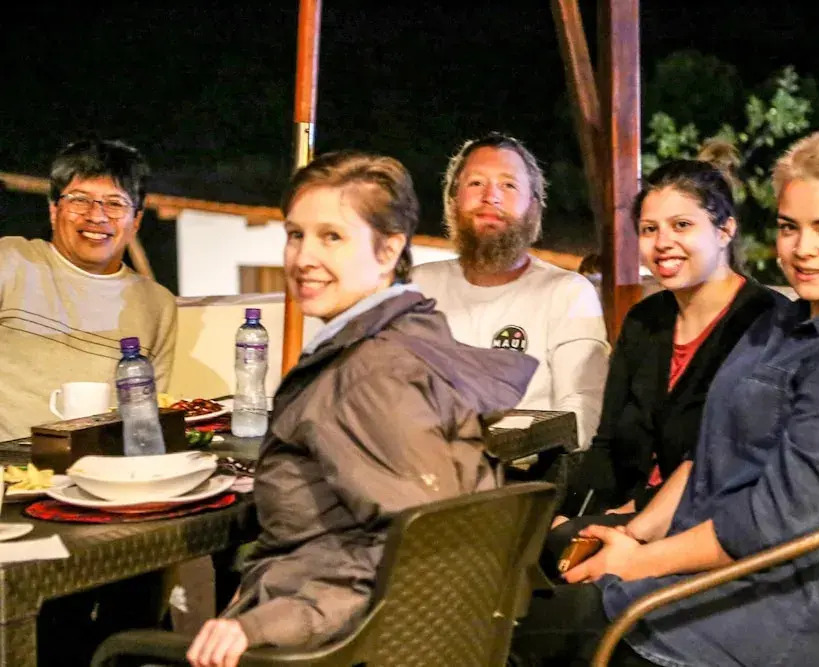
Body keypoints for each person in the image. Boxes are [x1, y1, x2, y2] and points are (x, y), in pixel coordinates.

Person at [511, 128, 819, 666]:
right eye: (789, 227)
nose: (802, 250)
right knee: (507, 592)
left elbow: (766, 526)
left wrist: (635, 563)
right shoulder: (787, 323)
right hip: (692, 568)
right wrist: (634, 535)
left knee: (505, 630)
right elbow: (708, 452)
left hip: (746, 613)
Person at [187, 151, 538, 667]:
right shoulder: (405, 338)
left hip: (333, 645)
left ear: (388, 250)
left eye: (332, 237)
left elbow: (414, 549)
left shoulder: (368, 375)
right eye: (295, 235)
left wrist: (261, 624)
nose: (303, 258)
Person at [546, 142, 782, 564]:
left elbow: (730, 459)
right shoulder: (645, 320)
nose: (663, 243)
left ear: (725, 230)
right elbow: (607, 443)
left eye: (681, 225)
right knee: (530, 539)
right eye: (649, 229)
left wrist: (629, 519)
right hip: (624, 513)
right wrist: (572, 512)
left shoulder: (765, 323)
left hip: (703, 526)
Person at [412, 132, 609, 448]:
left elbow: (583, 411)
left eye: (508, 185)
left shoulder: (567, 293)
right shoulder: (418, 287)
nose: (490, 196)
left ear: (534, 207)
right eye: (476, 183)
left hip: (525, 470)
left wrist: (490, 449)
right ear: (452, 200)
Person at [0, 139, 176, 440]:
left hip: (108, 463)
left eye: (115, 203)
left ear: (136, 221)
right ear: (54, 210)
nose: (96, 216)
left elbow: (150, 415)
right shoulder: (10, 260)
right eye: (80, 200)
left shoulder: (158, 304)